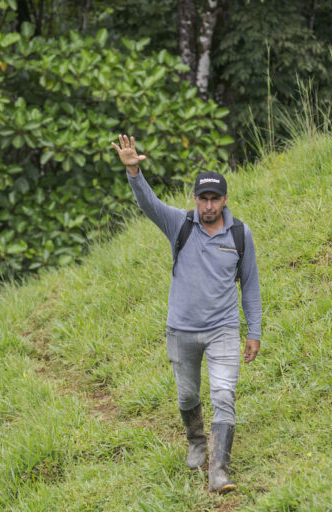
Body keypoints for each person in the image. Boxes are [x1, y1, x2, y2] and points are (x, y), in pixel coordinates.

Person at [111, 134, 262, 494]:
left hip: (223, 329)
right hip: (181, 330)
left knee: (224, 395)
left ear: (225, 200)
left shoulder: (240, 234)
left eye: (215, 198)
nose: (208, 205)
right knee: (186, 396)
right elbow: (148, 203)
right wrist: (134, 171)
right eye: (202, 198)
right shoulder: (178, 224)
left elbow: (250, 285)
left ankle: (218, 470)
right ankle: (196, 440)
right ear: (193, 199)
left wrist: (253, 331)